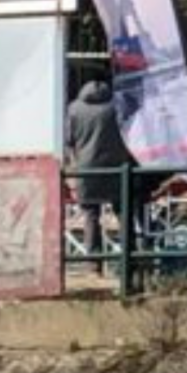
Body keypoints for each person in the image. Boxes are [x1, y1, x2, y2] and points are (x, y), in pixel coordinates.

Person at [66, 78, 133, 276]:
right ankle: (128, 262)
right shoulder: (117, 107)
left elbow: (69, 140)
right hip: (117, 167)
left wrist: (73, 164)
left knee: (91, 216)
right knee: (123, 213)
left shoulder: (74, 109)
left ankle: (94, 265)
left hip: (86, 169)